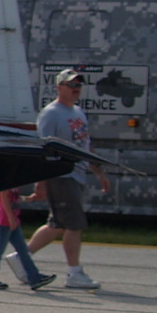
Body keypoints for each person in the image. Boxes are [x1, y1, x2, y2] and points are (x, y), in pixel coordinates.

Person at [28, 69, 113, 289]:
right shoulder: (51, 113)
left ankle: (22, 259)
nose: (75, 89)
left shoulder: (77, 112)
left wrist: (99, 172)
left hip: (77, 174)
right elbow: (44, 148)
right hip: (61, 174)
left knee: (57, 224)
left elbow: (85, 145)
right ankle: (74, 273)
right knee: (74, 224)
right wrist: (41, 182)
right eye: (70, 85)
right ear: (59, 87)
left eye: (78, 85)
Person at [0, 186, 57, 291]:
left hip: (13, 220)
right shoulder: (7, 179)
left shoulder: (15, 181)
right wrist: (10, 218)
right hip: (5, 220)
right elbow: (4, 199)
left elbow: (14, 198)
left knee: (23, 251)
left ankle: (34, 277)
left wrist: (28, 199)